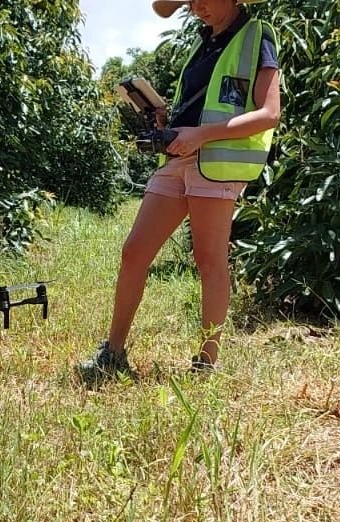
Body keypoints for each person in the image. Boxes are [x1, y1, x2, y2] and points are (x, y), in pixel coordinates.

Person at [77, 0, 281, 382]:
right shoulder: (204, 42)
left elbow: (269, 113)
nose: (197, 7)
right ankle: (114, 352)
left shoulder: (257, 36)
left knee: (209, 261)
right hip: (179, 158)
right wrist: (167, 120)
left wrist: (201, 135)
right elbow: (207, 104)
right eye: (190, 1)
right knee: (134, 251)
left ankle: (206, 364)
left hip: (217, 162)